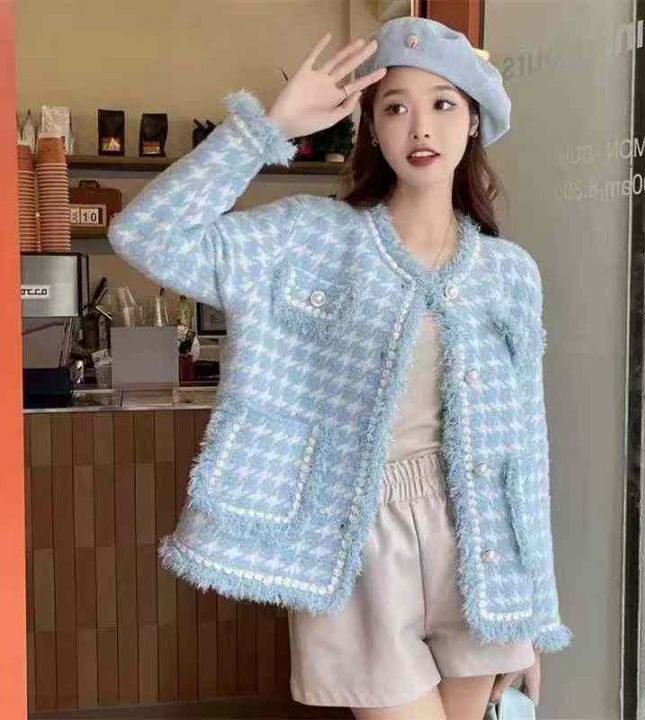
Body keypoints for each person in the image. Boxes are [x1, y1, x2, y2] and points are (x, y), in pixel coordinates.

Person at [108, 15, 572, 720]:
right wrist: (266, 130)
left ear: (473, 121)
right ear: (373, 129)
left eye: (443, 104)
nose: (421, 127)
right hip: (353, 535)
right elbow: (147, 235)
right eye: (396, 108)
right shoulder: (310, 237)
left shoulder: (510, 273)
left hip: (482, 548)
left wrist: (534, 614)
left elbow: (527, 450)